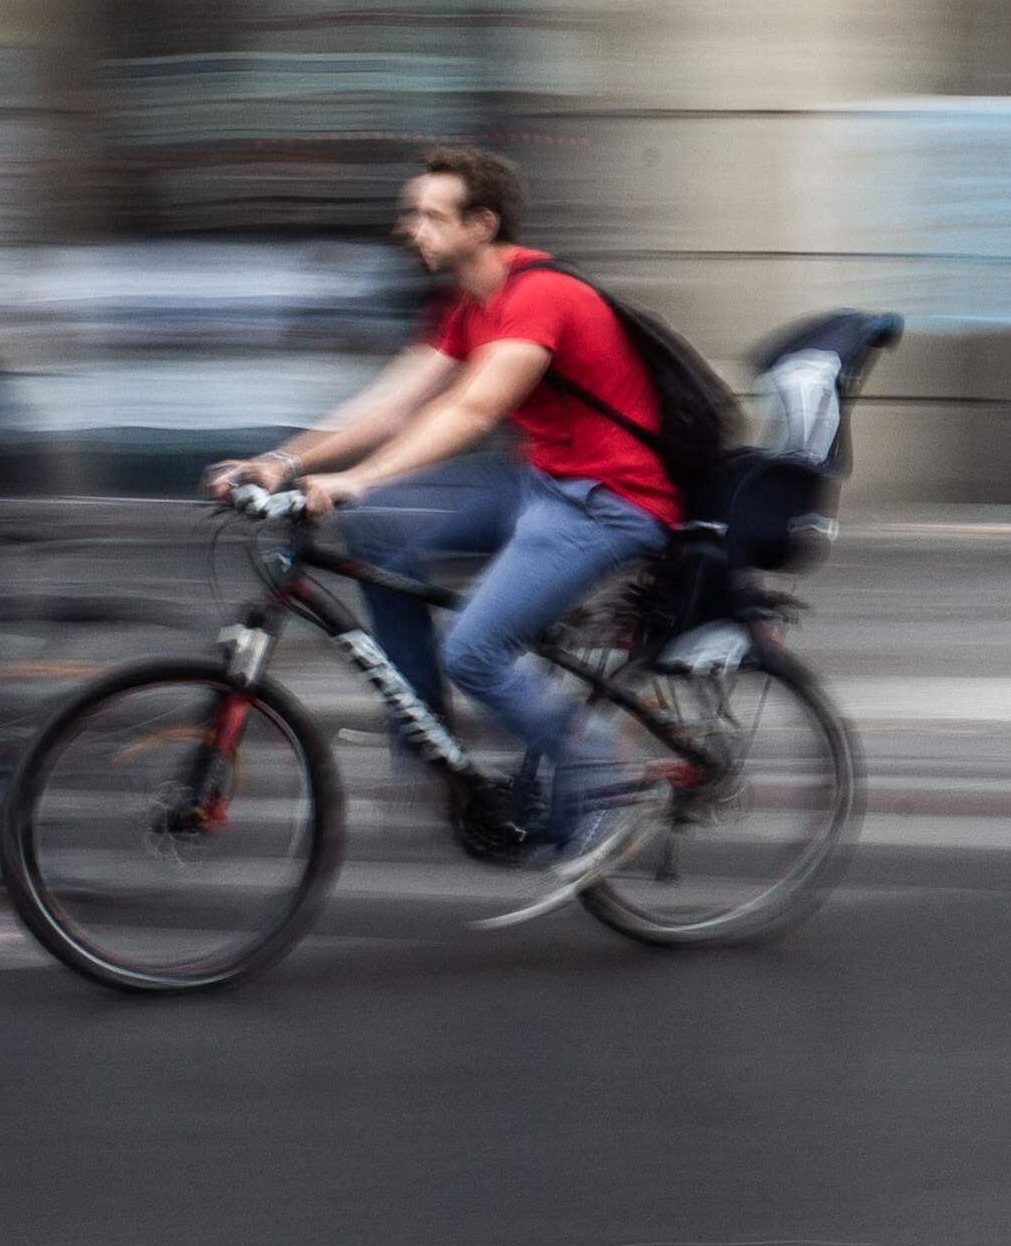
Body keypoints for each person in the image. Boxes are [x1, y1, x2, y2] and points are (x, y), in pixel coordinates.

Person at [206, 146, 673, 871]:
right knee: (377, 539)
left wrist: (361, 478)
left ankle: (609, 772)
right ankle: (425, 735)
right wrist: (283, 462)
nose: (410, 228)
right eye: (410, 213)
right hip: (544, 484)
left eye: (429, 215)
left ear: (481, 225)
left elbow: (472, 410)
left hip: (608, 502)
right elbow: (392, 403)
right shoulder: (465, 304)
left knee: (475, 652)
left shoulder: (538, 296)